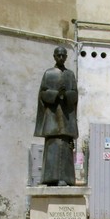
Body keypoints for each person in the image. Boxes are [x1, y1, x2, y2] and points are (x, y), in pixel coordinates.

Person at [34, 46, 78, 186]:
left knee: (65, 147)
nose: (60, 58)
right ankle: (49, 178)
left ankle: (66, 178)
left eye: (63, 55)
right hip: (52, 117)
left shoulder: (70, 75)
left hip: (66, 118)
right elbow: (42, 94)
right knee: (52, 146)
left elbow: (75, 94)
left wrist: (66, 95)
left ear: (66, 57)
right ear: (54, 56)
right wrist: (55, 94)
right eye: (58, 55)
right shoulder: (48, 74)